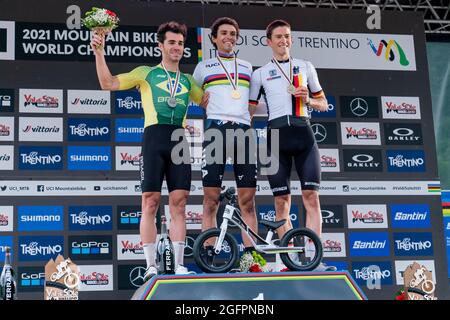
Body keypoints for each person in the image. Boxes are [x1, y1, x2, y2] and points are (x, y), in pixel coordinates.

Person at [90, 21, 204, 280]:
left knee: (179, 203)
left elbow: (209, 100)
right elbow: (107, 83)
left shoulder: (187, 80)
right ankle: (151, 265)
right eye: (172, 42)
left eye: (180, 43)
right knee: (150, 201)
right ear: (160, 45)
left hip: (178, 139)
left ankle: (177, 265)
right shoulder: (146, 73)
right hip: (154, 137)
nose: (177, 47)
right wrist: (99, 52)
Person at [249, 19, 336, 271]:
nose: (283, 40)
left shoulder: (305, 67)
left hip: (303, 135)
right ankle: (291, 261)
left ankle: (314, 257)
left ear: (291, 39)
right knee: (281, 202)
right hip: (275, 139)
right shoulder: (260, 73)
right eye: (278, 37)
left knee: (311, 197)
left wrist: (307, 99)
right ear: (269, 41)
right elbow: (250, 109)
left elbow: (324, 104)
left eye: (287, 36)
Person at [193, 17, 258, 254]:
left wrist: (247, 116)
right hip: (215, 131)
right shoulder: (204, 67)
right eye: (224, 33)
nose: (229, 37)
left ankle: (253, 261)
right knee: (210, 200)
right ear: (214, 38)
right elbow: (194, 95)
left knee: (248, 202)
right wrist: (199, 99)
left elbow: (253, 101)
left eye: (233, 33)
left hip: (243, 132)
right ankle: (209, 257)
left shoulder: (249, 67)